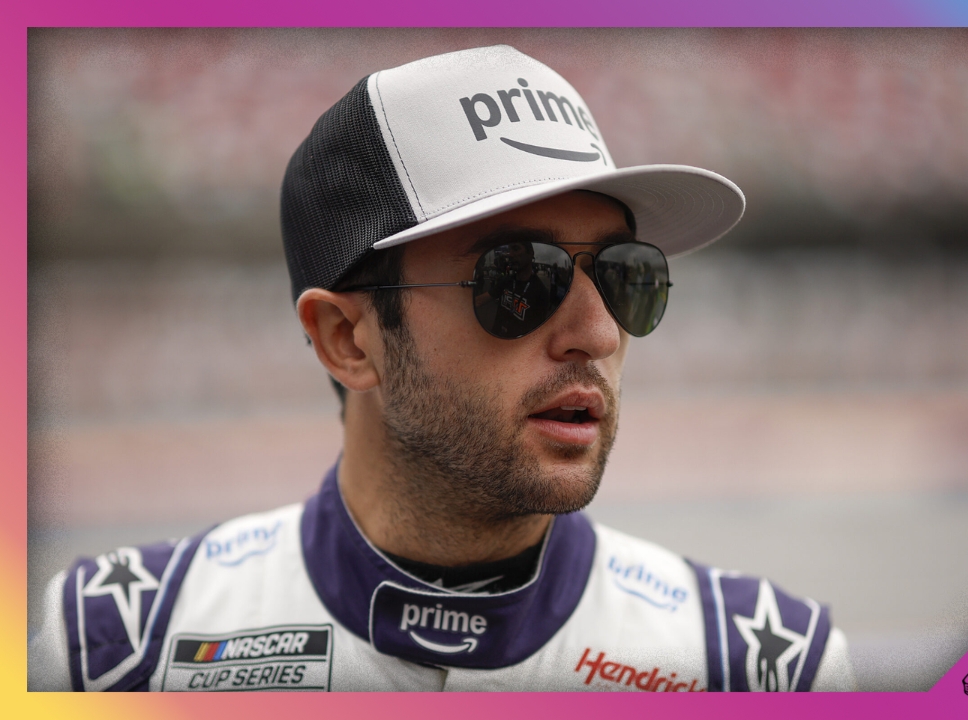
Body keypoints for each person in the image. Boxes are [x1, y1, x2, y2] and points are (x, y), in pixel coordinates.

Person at [28, 44, 856, 692]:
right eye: (519, 280)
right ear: (347, 340)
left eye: (623, 273)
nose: (597, 333)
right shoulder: (118, 646)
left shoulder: (760, 662)